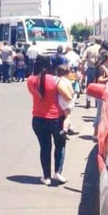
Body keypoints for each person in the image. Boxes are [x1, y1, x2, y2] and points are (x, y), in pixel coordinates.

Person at [27, 55, 72, 186]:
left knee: (45, 148)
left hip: (38, 119)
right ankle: (57, 172)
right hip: (56, 119)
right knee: (60, 145)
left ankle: (46, 176)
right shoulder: (56, 80)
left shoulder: (30, 80)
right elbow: (68, 96)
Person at [93, 50, 108, 140]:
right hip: (101, 90)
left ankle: (96, 132)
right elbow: (100, 79)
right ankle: (96, 133)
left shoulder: (99, 66)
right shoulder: (102, 67)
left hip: (99, 90)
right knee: (100, 112)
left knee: (100, 112)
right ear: (106, 58)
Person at [55, 64, 75, 140]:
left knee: (64, 115)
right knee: (67, 116)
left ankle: (70, 128)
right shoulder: (67, 81)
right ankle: (65, 130)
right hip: (66, 101)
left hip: (59, 99)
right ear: (67, 73)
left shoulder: (56, 79)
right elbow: (72, 92)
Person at [81, 37, 101, 108]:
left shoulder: (89, 49)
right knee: (98, 86)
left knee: (88, 85)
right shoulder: (101, 49)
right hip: (99, 70)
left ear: (95, 41)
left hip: (90, 68)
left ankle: (88, 101)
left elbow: (83, 59)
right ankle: (97, 102)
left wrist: (82, 68)